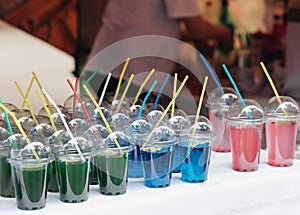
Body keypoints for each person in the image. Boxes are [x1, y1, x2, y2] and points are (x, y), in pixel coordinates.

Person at [83, 0, 233, 99]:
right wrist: (224, 33)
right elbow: (199, 31)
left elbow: (154, 25)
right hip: (132, 75)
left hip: (101, 66)